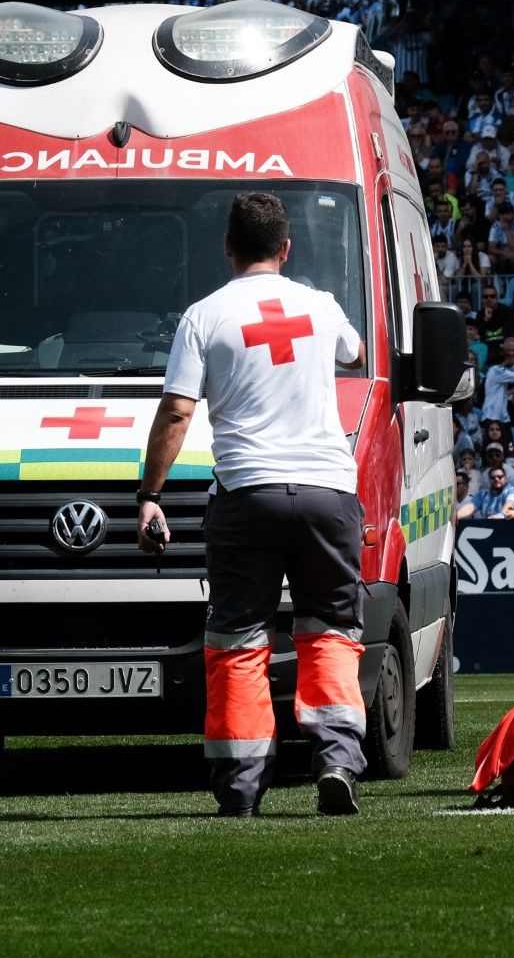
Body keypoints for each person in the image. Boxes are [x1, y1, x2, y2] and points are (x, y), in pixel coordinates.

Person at [136, 192, 369, 818]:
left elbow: (179, 410)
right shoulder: (319, 306)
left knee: (238, 638)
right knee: (330, 631)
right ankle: (337, 760)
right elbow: (355, 353)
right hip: (327, 491)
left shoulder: (204, 315)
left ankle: (241, 787)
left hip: (248, 494)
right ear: (286, 248)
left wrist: (150, 496)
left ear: (227, 246)